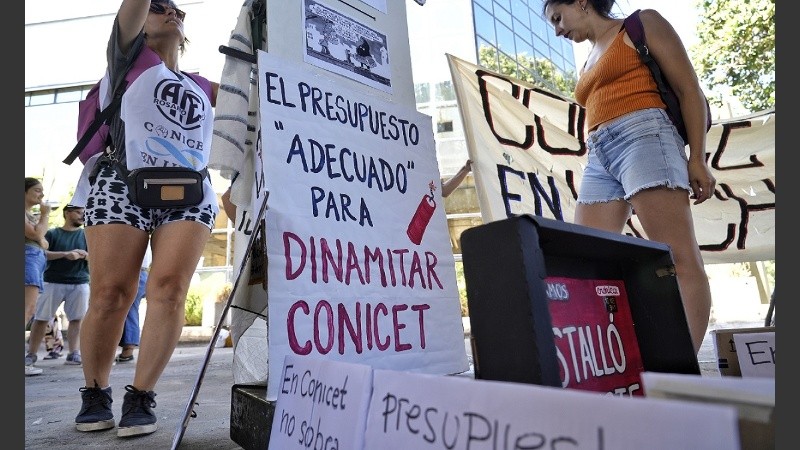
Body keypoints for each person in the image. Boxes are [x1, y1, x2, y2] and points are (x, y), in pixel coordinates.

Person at [72, 0, 218, 438]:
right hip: (122, 182)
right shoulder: (127, 60)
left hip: (190, 192)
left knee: (170, 290)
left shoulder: (205, 86)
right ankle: (95, 392)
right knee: (111, 294)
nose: (171, 11)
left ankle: (141, 395)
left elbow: (262, 103)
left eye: (178, 10)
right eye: (158, 6)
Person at [543, 0, 715, 354]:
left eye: (558, 18)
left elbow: (688, 90)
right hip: (600, 153)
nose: (558, 30)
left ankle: (683, 372)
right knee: (588, 262)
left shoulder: (641, 24)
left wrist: (697, 158)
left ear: (581, 3)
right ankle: (608, 365)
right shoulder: (588, 59)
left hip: (645, 133)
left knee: (677, 257)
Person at [26, 204, 90, 371]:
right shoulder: (53, 233)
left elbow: (98, 256)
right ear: (67, 213)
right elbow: (42, 252)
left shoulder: (87, 234)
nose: (82, 215)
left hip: (80, 282)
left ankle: (74, 352)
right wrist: (65, 254)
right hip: (52, 281)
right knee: (41, 318)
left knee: (77, 319)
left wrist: (84, 255)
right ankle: (31, 354)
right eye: (78, 212)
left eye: (83, 212)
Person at [25, 177, 51, 376]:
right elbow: (37, 235)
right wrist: (45, 216)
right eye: (37, 190)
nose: (41, 195)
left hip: (34, 257)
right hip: (28, 257)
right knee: (27, 309)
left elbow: (44, 242)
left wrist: (40, 235)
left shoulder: (28, 214)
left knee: (29, 310)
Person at [116, 244, 152, 363]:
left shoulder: (140, 235)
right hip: (140, 273)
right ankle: (127, 349)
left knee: (130, 311)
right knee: (129, 311)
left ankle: (128, 349)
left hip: (136, 273)